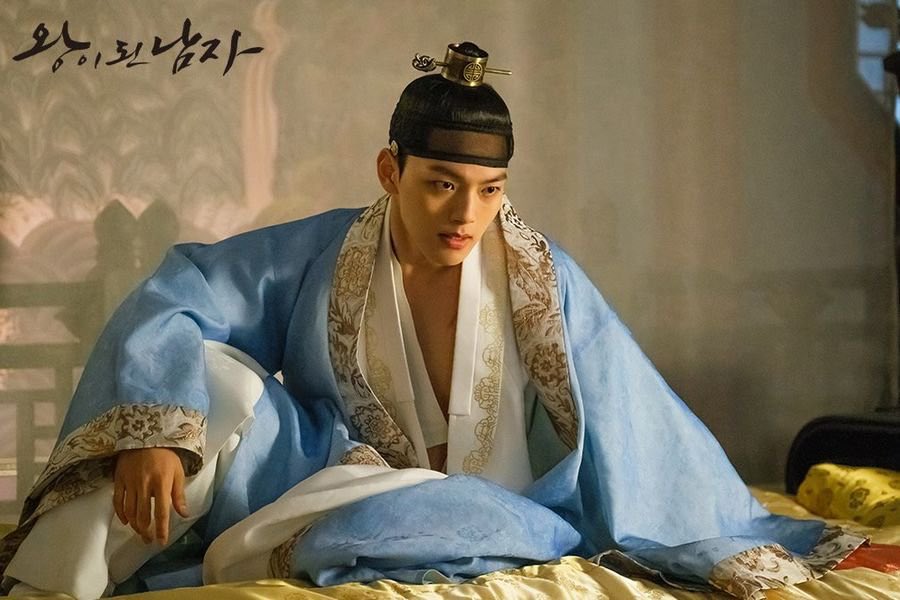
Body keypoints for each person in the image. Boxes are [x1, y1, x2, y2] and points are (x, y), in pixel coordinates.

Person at [0, 42, 865, 599]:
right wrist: (154, 432)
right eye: (441, 183)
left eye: (489, 191)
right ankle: (49, 586)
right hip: (328, 476)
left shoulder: (539, 279)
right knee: (206, 374)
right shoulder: (324, 252)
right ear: (391, 171)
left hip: (488, 509)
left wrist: (714, 536)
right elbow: (179, 291)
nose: (466, 214)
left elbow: (636, 413)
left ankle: (260, 553)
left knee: (453, 527)